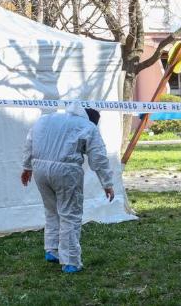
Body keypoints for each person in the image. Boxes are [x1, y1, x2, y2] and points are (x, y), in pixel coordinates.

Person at [20, 104, 115, 273]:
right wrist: (107, 183)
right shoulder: (88, 126)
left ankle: (52, 250)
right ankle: (71, 262)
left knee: (51, 210)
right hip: (66, 171)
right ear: (92, 119)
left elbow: (30, 141)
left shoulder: (48, 119)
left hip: (40, 169)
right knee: (70, 215)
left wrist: (27, 167)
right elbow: (98, 157)